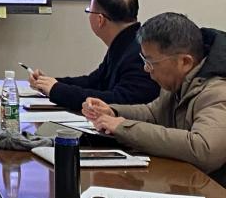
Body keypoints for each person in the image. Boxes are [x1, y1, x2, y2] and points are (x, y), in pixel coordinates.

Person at [84, 12, 226, 186]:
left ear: (185, 62)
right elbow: (153, 113)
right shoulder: (178, 82)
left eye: (151, 62)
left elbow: (203, 149)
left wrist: (124, 127)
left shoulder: (218, 91)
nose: (146, 68)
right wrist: (113, 111)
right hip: (188, 184)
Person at [28, 0, 159, 111]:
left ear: (100, 20)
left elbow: (120, 101)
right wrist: (50, 83)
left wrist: (57, 90)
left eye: (89, 11)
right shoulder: (125, 42)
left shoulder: (139, 52)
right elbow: (94, 82)